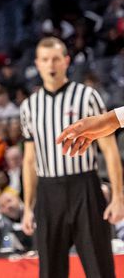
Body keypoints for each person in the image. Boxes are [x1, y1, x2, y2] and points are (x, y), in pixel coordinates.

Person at [19, 36, 122, 278]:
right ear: (38, 63)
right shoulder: (29, 107)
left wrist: (118, 196)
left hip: (85, 186)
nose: (51, 65)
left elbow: (109, 149)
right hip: (47, 191)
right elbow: (29, 160)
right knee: (50, 271)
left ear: (66, 61)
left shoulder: (87, 96)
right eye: (45, 60)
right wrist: (27, 207)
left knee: (100, 267)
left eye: (56, 59)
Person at [57, 103, 124, 157]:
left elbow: (109, 149)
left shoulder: (89, 94)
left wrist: (109, 120)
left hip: (87, 171)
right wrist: (111, 120)